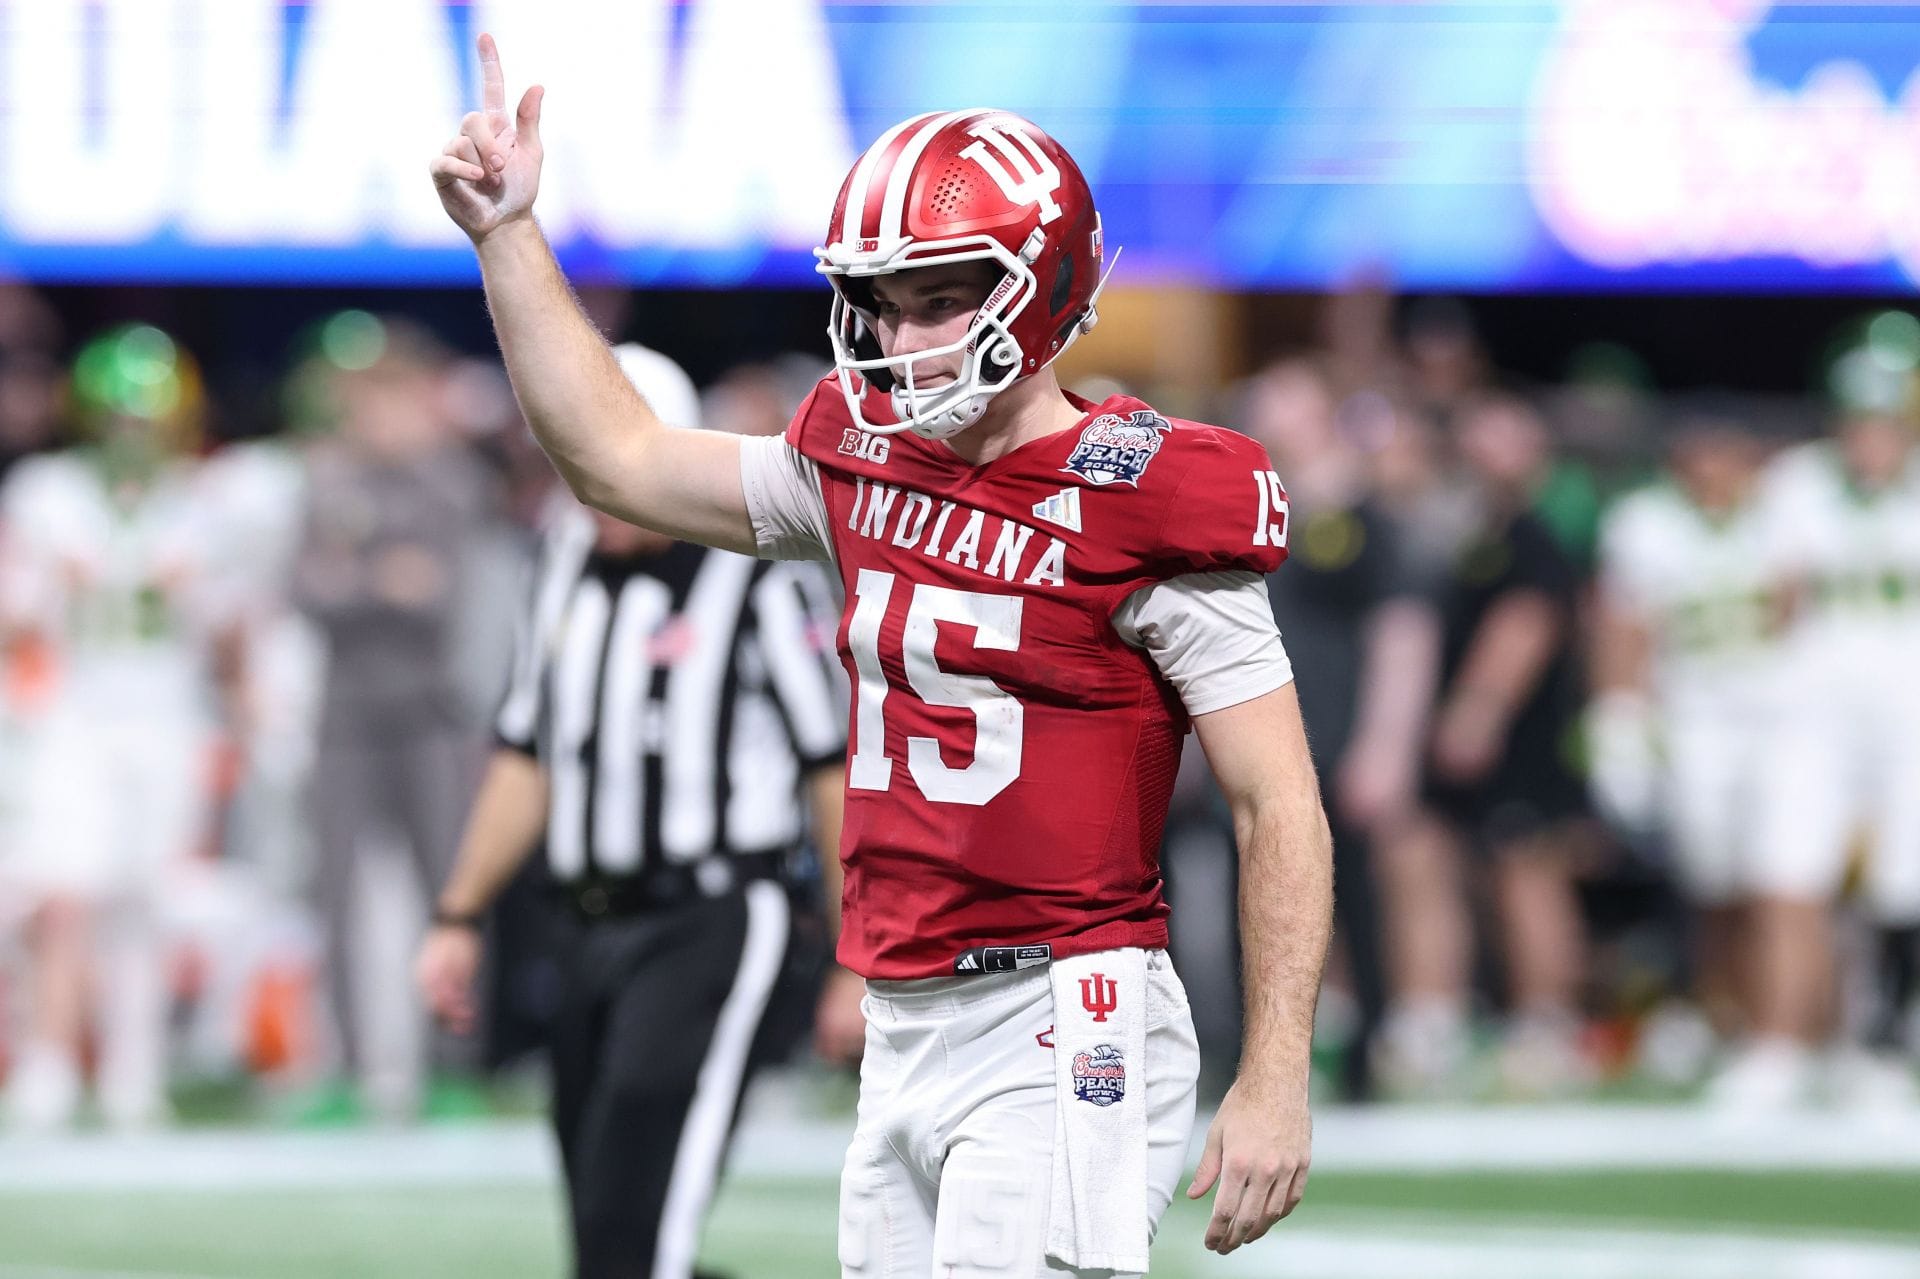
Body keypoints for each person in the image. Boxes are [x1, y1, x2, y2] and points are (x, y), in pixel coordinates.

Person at [430, 36, 1332, 1273]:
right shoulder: (854, 461)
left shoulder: (1154, 494)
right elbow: (620, 459)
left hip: (1066, 1008)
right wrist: (508, 235)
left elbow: (1275, 800)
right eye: (886, 303)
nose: (903, 341)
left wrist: (1277, 1071)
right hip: (908, 1017)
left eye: (942, 298)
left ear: (1044, 284)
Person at [416, 344, 853, 1279]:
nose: (588, 483)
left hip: (718, 916)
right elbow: (525, 749)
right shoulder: (563, 557)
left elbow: (832, 767)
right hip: (586, 924)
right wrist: (458, 913)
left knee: (634, 1233)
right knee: (607, 1237)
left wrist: (858, 958)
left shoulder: (759, 570)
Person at [0, 325, 244, 1130]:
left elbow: (226, 627)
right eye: (117, 416)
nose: (130, 434)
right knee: (66, 892)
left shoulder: (199, 504)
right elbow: (15, 617)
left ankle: (133, 1070)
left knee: (144, 896)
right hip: (75, 713)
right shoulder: (46, 493)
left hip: (165, 715)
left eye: (144, 418)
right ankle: (50, 1059)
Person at [290, 316, 491, 1121]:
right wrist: (381, 581)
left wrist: (356, 579)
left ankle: (454, 1067)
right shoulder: (327, 479)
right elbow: (306, 590)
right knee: (333, 890)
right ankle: (342, 1066)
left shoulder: (451, 480)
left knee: (451, 890)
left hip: (434, 715)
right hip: (346, 716)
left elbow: (440, 594)